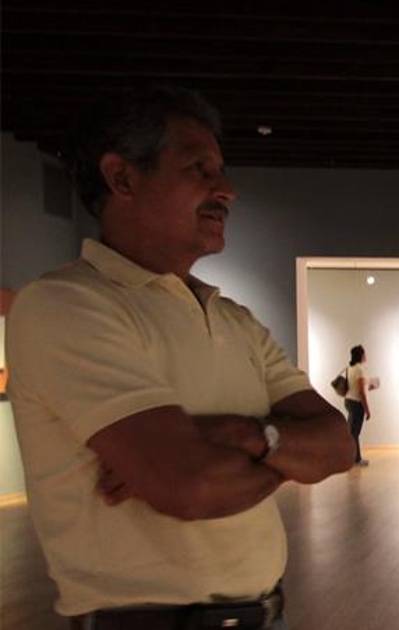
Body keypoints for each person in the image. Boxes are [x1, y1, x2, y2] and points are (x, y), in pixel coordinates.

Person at [5, 86, 356, 629]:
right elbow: (191, 486)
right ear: (121, 177)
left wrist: (238, 436)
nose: (226, 190)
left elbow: (337, 445)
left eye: (221, 171)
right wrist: (282, 454)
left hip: (265, 616)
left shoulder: (235, 319)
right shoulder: (64, 306)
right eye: (199, 169)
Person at [344, 344, 376, 466]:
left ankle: (351, 458)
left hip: (348, 401)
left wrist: (369, 387)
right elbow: (361, 392)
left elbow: (354, 387)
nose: (366, 355)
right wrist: (367, 410)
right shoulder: (359, 370)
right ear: (361, 355)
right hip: (356, 404)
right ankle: (356, 459)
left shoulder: (349, 368)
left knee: (351, 432)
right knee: (355, 433)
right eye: (364, 353)